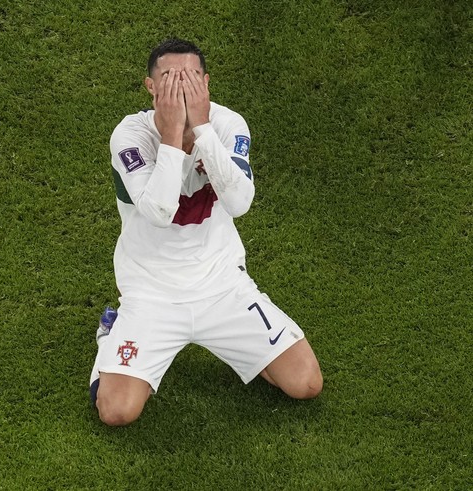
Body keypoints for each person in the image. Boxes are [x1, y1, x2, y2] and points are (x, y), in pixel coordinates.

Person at [90, 39, 323, 426]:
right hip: (152, 293)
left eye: (191, 78)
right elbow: (160, 212)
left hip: (223, 286)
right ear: (150, 87)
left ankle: (242, 349)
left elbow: (239, 202)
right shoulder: (130, 136)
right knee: (116, 412)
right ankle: (108, 338)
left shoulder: (228, 125)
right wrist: (171, 137)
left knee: (306, 384)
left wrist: (201, 128)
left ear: (206, 83)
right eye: (169, 78)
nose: (181, 87)